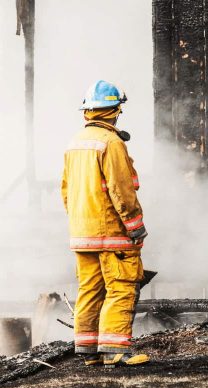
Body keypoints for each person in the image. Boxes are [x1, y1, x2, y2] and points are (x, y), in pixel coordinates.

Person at [61, 80, 149, 367]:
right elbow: (121, 189)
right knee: (122, 286)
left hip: (82, 234)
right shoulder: (111, 143)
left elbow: (66, 191)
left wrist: (79, 223)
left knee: (90, 289)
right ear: (115, 110)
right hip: (111, 232)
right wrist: (135, 226)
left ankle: (88, 352)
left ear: (87, 111)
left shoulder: (75, 144)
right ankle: (115, 351)